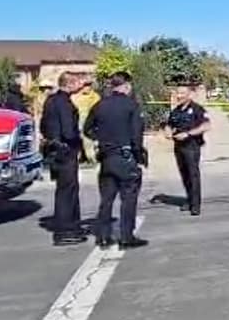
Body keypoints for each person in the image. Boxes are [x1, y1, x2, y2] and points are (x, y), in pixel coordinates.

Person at [83, 71, 148, 249]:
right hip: (125, 157)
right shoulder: (132, 106)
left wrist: (102, 139)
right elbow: (136, 136)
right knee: (128, 198)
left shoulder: (100, 105)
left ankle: (103, 237)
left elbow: (87, 129)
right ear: (126, 86)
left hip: (106, 157)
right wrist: (138, 155)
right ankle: (126, 237)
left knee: (106, 199)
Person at [40, 72, 86, 245]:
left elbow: (43, 126)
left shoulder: (51, 101)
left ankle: (71, 227)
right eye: (78, 82)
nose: (81, 86)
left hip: (54, 150)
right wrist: (77, 143)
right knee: (68, 192)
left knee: (63, 190)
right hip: (65, 151)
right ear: (70, 84)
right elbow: (68, 131)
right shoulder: (64, 103)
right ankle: (66, 230)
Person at [165, 85, 212, 216]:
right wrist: (168, 132)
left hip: (192, 146)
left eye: (182, 93)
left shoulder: (197, 109)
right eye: (178, 93)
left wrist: (188, 134)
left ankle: (196, 205)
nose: (179, 96)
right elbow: (169, 124)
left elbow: (206, 125)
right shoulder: (176, 111)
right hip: (178, 146)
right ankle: (190, 199)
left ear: (189, 94)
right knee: (184, 174)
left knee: (193, 175)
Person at [71, 78, 101, 166]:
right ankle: (80, 158)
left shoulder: (95, 97)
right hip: (77, 121)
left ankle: (92, 159)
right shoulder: (76, 96)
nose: (86, 88)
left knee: (88, 141)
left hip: (88, 122)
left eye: (88, 85)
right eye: (85, 86)